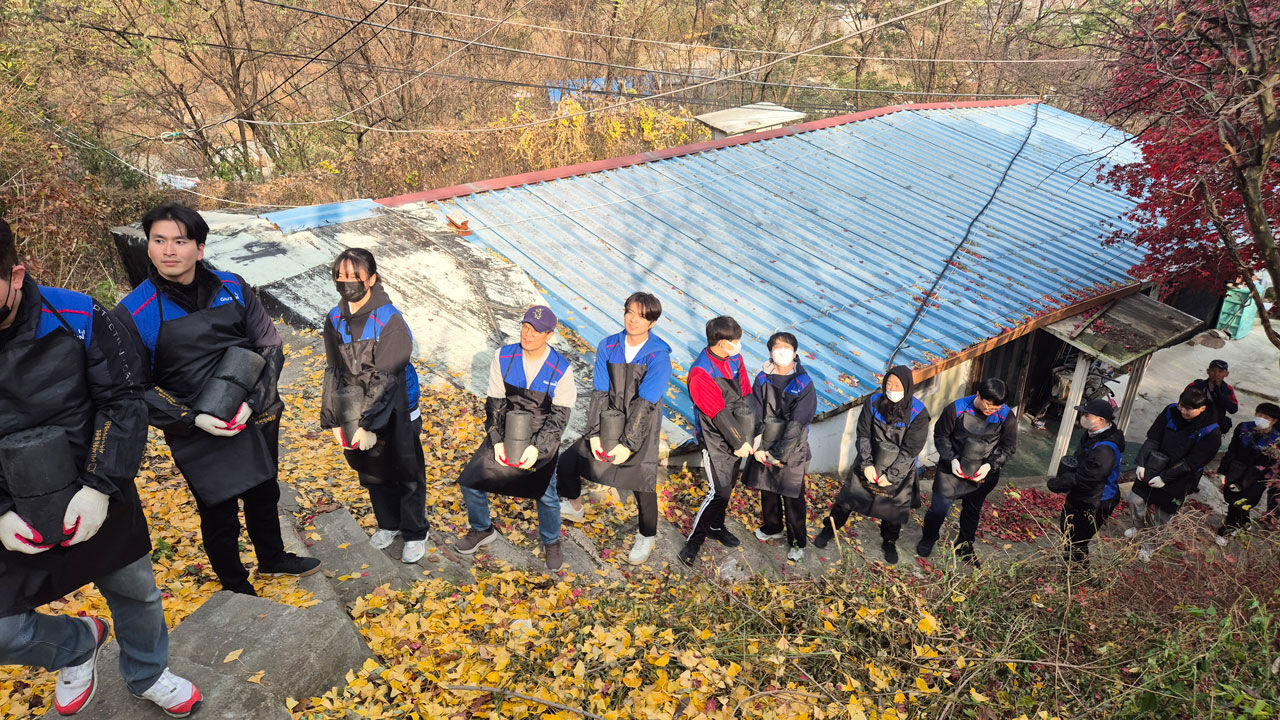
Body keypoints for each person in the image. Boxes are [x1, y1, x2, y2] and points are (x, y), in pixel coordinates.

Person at [0, 219, 201, 717]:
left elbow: (123, 400)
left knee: (137, 592)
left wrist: (100, 486)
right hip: (13, 504)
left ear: (16, 275)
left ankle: (148, 672)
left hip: (94, 482)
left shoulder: (78, 314)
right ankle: (75, 644)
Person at [113, 204, 319, 595]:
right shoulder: (133, 312)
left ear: (200, 248)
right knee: (217, 507)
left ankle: (273, 559)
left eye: (180, 241)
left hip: (252, 410)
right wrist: (192, 419)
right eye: (159, 241)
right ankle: (234, 583)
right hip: (194, 426)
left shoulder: (233, 288)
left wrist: (253, 402)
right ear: (149, 248)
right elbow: (135, 386)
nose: (169, 250)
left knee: (264, 488)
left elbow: (269, 346)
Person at [320, 249, 429, 563]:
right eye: (340, 276)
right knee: (372, 469)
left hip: (396, 406)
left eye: (354, 276)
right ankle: (388, 523)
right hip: (355, 404)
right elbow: (334, 369)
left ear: (372, 278)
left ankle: (415, 531)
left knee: (406, 470)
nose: (346, 282)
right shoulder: (335, 318)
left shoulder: (389, 319)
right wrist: (337, 417)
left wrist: (367, 423)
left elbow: (385, 377)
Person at [454, 305, 575, 570]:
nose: (528, 334)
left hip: (541, 435)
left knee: (547, 493)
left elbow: (559, 419)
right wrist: (497, 439)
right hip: (506, 430)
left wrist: (539, 449)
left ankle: (552, 540)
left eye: (537, 331)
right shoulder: (504, 356)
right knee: (471, 481)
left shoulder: (561, 370)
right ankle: (482, 528)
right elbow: (495, 403)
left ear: (550, 335)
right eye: (525, 327)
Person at [556, 292, 671, 565]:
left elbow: (646, 403)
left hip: (640, 426)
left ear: (652, 322)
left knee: (642, 482)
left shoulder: (658, 356)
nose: (633, 319)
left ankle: (647, 535)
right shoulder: (608, 346)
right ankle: (573, 505)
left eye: (642, 316)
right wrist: (595, 434)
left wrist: (628, 444)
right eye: (630, 312)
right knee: (569, 461)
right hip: (607, 418)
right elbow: (599, 392)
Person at [814, 365, 927, 565]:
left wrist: (891, 475)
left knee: (893, 510)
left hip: (899, 470)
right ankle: (829, 529)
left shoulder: (918, 413)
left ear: (907, 386)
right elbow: (864, 433)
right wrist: (867, 464)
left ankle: (889, 541)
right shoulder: (874, 402)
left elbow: (911, 450)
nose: (892, 388)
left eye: (897, 385)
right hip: (870, 462)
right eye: (889, 383)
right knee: (846, 500)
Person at [678, 316, 754, 567]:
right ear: (722, 343)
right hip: (716, 438)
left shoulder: (736, 359)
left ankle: (716, 525)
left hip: (739, 430)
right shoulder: (700, 373)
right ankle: (693, 542)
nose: (738, 345)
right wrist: (738, 441)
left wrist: (752, 431)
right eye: (735, 341)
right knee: (717, 491)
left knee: (728, 488)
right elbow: (717, 413)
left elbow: (746, 394)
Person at [917, 378, 1018, 566]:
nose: (990, 411)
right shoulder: (956, 409)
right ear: (978, 395)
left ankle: (965, 546)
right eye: (988, 405)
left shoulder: (1006, 416)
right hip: (952, 467)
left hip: (982, 471)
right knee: (939, 508)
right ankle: (929, 537)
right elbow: (941, 436)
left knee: (972, 510)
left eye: (995, 409)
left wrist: (990, 465)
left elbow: (1008, 447)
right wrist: (950, 459)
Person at [744, 332, 817, 563]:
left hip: (791, 450)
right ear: (770, 352)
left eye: (786, 347)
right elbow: (754, 411)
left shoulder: (803, 383)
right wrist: (756, 444)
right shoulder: (762, 379)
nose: (781, 351)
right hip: (765, 444)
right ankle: (773, 526)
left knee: (792, 496)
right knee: (768, 489)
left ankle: (797, 542)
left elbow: (798, 423)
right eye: (776, 347)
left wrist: (780, 455)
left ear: (795, 352)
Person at [1127, 387, 1221, 560]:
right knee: (1134, 499)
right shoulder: (1171, 411)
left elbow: (1192, 462)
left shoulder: (1211, 432)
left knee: (1162, 516)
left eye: (1188, 409)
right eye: (1181, 406)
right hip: (1155, 464)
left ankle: (1151, 544)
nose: (1183, 411)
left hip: (1181, 477)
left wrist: (1165, 477)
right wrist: (1141, 462)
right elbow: (1153, 437)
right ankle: (1140, 528)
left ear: (1202, 409)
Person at [1048, 398, 1125, 566]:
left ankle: (1076, 574)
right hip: (1082, 495)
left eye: (1087, 414)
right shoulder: (1092, 434)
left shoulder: (1105, 449)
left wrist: (1064, 481)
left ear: (1101, 420)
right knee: (1068, 530)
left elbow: (1090, 479)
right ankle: (1072, 568)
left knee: (1078, 541)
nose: (1082, 417)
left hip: (1097, 501)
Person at [1213, 402, 1280, 544]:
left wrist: (1242, 484)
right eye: (1259, 414)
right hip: (1236, 469)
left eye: (1266, 417)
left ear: (1274, 421)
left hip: (1257, 478)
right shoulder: (1244, 428)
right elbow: (1232, 450)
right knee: (1232, 499)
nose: (1261, 418)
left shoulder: (1276, 440)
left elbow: (1264, 466)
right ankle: (1244, 522)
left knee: (1240, 503)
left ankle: (1226, 531)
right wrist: (1223, 470)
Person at [1186, 359, 1238, 434]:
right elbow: (1183, 402)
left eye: (1220, 371)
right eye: (1213, 370)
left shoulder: (1228, 389)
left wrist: (1219, 393)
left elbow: (1233, 409)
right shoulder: (1196, 385)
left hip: (1214, 427)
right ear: (1208, 371)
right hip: (1195, 423)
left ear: (1226, 374)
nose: (1216, 374)